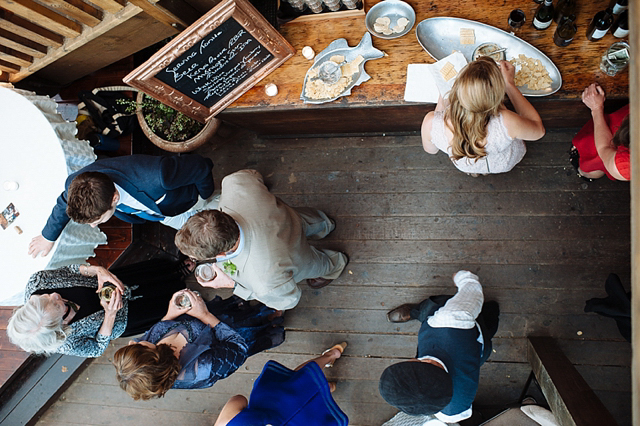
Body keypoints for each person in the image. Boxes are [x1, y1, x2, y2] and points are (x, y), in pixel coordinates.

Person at [174, 169, 348, 311]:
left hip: (297, 259)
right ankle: (327, 224)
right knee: (313, 222)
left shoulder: (265, 281)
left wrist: (232, 284)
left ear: (221, 253)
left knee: (321, 265)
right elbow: (254, 175)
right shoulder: (234, 183)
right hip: (290, 219)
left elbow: (289, 301)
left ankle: (337, 263)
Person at [28, 154, 215, 258]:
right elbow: (63, 203)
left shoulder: (159, 176)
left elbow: (201, 167)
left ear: (115, 197)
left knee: (215, 223)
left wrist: (206, 196)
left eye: (98, 219)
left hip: (189, 199)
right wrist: (48, 236)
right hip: (163, 213)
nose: (94, 225)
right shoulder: (74, 184)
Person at [112, 291, 284, 399]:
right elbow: (238, 347)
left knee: (238, 309)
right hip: (232, 334)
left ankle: (246, 307)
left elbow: (158, 329)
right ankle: (270, 319)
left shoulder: (145, 349)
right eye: (136, 346)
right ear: (156, 358)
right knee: (255, 324)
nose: (132, 341)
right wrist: (205, 315)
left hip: (208, 316)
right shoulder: (202, 368)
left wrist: (170, 314)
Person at [379, 271, 500, 424]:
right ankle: (491, 311)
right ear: (424, 363)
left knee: (486, 330)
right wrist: (461, 277)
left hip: (478, 355)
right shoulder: (450, 318)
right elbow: (472, 287)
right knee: (484, 318)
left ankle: (415, 312)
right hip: (463, 333)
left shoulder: (454, 411)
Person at [7, 259, 194, 357]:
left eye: (46, 297)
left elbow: (70, 270)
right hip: (127, 318)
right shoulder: (64, 342)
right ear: (60, 326)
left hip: (118, 280)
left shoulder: (38, 281)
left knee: (153, 276)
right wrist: (110, 315)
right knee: (163, 305)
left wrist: (97, 271)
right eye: (57, 305)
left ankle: (176, 271)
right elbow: (96, 348)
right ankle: (189, 301)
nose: (55, 295)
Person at [421, 57, 545, 175]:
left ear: (457, 89)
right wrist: (509, 84)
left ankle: (476, 168)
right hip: (504, 163)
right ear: (498, 97)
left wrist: (443, 97)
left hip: (466, 165)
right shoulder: (507, 121)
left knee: (473, 165)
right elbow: (539, 131)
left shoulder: (431, 123)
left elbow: (431, 150)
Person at [214, 342, 349, 426]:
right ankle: (331, 355)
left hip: (309, 421)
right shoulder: (226, 424)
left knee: (311, 410)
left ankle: (326, 389)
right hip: (278, 401)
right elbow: (238, 400)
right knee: (298, 379)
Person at [570, 83, 630, 181]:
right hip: (622, 132)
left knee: (591, 160)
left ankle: (586, 171)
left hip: (613, 143)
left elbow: (604, 148)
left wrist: (596, 108)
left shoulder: (626, 165)